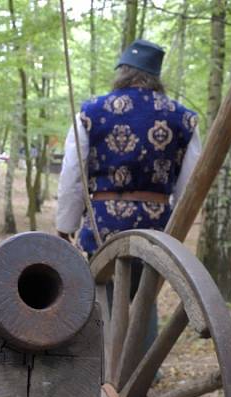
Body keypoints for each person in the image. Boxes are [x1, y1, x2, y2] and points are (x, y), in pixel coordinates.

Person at [56, 39, 201, 356]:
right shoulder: (183, 119)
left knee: (103, 290)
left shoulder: (91, 113)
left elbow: (73, 173)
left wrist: (64, 224)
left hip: (103, 224)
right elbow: (190, 185)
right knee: (144, 296)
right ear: (156, 76)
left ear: (122, 72)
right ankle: (140, 370)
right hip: (157, 225)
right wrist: (176, 225)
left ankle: (101, 364)